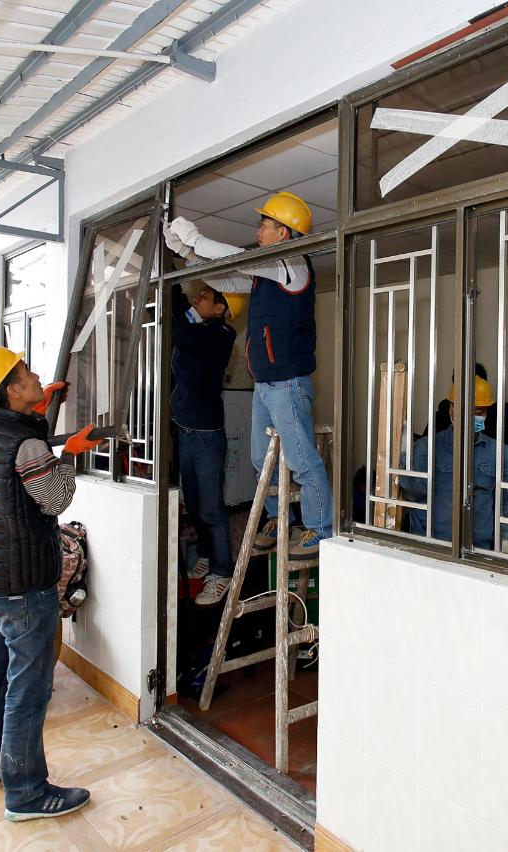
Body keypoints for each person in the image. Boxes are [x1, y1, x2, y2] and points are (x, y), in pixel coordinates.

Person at [0, 345, 103, 822]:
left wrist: (41, 413)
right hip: (23, 583)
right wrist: (71, 455)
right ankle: (26, 792)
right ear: (10, 391)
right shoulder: (26, 445)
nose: (36, 374)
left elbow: (17, 472)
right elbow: (54, 499)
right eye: (25, 372)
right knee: (29, 688)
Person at [164, 192, 331, 560]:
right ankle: (277, 519)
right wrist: (188, 255)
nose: (258, 230)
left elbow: (235, 258)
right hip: (266, 385)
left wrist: (195, 239)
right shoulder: (266, 275)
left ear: (283, 233)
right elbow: (227, 279)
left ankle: (321, 529)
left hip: (288, 382)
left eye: (265, 224)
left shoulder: (292, 264)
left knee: (302, 460)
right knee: (261, 461)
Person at [169, 281, 242, 606]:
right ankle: (205, 553)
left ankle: (222, 571)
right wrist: (175, 290)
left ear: (220, 309)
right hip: (187, 431)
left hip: (208, 437)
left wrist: (178, 300)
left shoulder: (223, 335)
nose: (199, 297)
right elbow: (183, 329)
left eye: (206, 296)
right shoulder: (198, 327)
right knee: (195, 503)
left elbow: (182, 335)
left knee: (211, 508)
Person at [403, 377, 508, 551]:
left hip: (478, 548)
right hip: (431, 546)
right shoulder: (428, 446)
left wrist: (507, 540)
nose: (470, 417)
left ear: (487, 412)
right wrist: (405, 455)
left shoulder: (499, 452)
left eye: (478, 412)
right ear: (451, 409)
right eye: (464, 411)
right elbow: (412, 494)